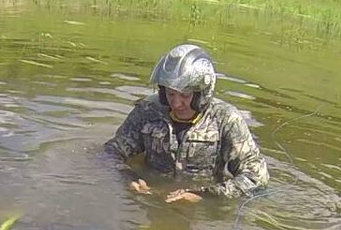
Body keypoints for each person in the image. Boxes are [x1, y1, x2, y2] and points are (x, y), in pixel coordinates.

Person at [104, 44, 269, 203]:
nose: (176, 104)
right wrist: (129, 177)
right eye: (170, 94)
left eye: (185, 96)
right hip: (151, 196)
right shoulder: (148, 110)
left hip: (200, 210)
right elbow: (111, 152)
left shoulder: (226, 119)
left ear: (202, 93)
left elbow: (256, 178)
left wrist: (204, 196)